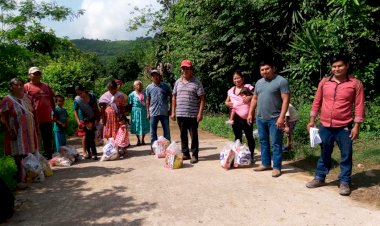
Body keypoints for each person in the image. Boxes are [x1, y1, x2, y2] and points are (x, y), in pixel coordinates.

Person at [306, 54, 365, 196]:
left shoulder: (355, 84)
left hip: (344, 126)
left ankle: (345, 181)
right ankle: (320, 177)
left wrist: (356, 126)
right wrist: (312, 119)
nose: (336, 69)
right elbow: (317, 101)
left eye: (340, 66)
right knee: (325, 152)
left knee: (346, 154)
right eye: (334, 66)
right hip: (325, 125)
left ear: (347, 66)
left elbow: (359, 106)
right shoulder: (324, 82)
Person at [247, 60, 290, 177]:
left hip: (275, 118)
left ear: (273, 68)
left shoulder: (281, 81)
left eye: (267, 69)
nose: (264, 71)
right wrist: (251, 113)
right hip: (261, 118)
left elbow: (286, 100)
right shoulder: (259, 83)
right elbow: (254, 98)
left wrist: (281, 117)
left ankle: (277, 167)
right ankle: (265, 163)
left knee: (276, 143)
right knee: (263, 141)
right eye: (262, 70)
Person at [0, 78, 39, 184]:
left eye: (21, 84)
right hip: (17, 132)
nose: (19, 87)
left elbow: (33, 114)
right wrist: (8, 129)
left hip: (30, 131)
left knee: (31, 153)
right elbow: (2, 117)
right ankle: (20, 178)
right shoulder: (7, 100)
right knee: (19, 155)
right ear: (11, 87)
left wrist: (38, 130)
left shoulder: (28, 98)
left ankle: (31, 175)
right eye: (16, 85)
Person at [171, 59, 205, 164]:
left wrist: (200, 113)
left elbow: (202, 99)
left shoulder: (197, 82)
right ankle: (185, 153)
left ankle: (194, 155)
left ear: (191, 70)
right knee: (182, 135)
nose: (185, 70)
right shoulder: (178, 82)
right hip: (180, 113)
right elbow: (174, 97)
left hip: (193, 115)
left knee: (193, 135)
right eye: (183, 68)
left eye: (187, 68)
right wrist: (173, 111)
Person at [24, 67, 55, 159]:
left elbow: (52, 100)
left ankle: (48, 156)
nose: (37, 75)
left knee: (47, 137)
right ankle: (36, 156)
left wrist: (54, 111)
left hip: (47, 117)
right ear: (29, 75)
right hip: (33, 118)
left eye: (38, 73)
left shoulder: (46, 86)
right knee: (34, 138)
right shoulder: (26, 87)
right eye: (35, 74)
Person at [224, 71, 256, 160]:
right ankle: (238, 155)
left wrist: (249, 97)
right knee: (237, 137)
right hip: (235, 117)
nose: (236, 80)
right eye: (235, 78)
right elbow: (226, 101)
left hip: (248, 117)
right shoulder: (231, 90)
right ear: (233, 80)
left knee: (249, 136)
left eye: (238, 78)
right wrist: (227, 103)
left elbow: (256, 96)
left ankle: (252, 155)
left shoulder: (248, 87)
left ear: (242, 78)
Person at [146, 70, 172, 153]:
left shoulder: (165, 86)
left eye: (157, 75)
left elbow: (172, 97)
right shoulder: (149, 87)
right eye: (153, 76)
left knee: (166, 132)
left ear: (160, 76)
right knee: (153, 133)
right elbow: (147, 100)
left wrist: (171, 109)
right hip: (153, 112)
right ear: (151, 77)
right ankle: (153, 149)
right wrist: (148, 112)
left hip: (164, 112)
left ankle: (167, 149)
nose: (155, 77)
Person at [73, 84, 100, 156]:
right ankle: (84, 152)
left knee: (92, 136)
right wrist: (78, 122)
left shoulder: (92, 96)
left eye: (81, 93)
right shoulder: (77, 99)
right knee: (84, 136)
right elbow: (75, 111)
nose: (80, 95)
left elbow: (96, 107)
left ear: (84, 90)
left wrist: (98, 118)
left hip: (91, 118)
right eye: (78, 94)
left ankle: (93, 151)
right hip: (83, 120)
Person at [128, 80, 150, 146]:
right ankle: (138, 140)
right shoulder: (131, 95)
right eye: (137, 85)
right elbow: (130, 104)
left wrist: (148, 112)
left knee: (144, 124)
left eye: (140, 84)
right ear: (134, 86)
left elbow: (147, 103)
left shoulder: (145, 94)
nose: (139, 86)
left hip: (143, 111)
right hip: (135, 112)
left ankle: (143, 139)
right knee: (136, 125)